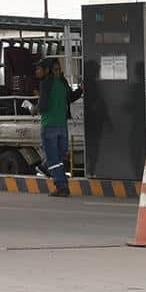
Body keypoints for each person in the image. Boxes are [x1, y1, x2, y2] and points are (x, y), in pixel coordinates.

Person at [34, 56, 82, 197]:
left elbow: (42, 106)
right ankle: (46, 169)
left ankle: (61, 186)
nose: (58, 71)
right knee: (59, 157)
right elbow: (70, 98)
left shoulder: (46, 83)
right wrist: (80, 89)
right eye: (57, 69)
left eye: (39, 69)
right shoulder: (63, 82)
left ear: (46, 70)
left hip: (49, 126)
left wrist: (33, 109)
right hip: (62, 126)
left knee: (55, 159)